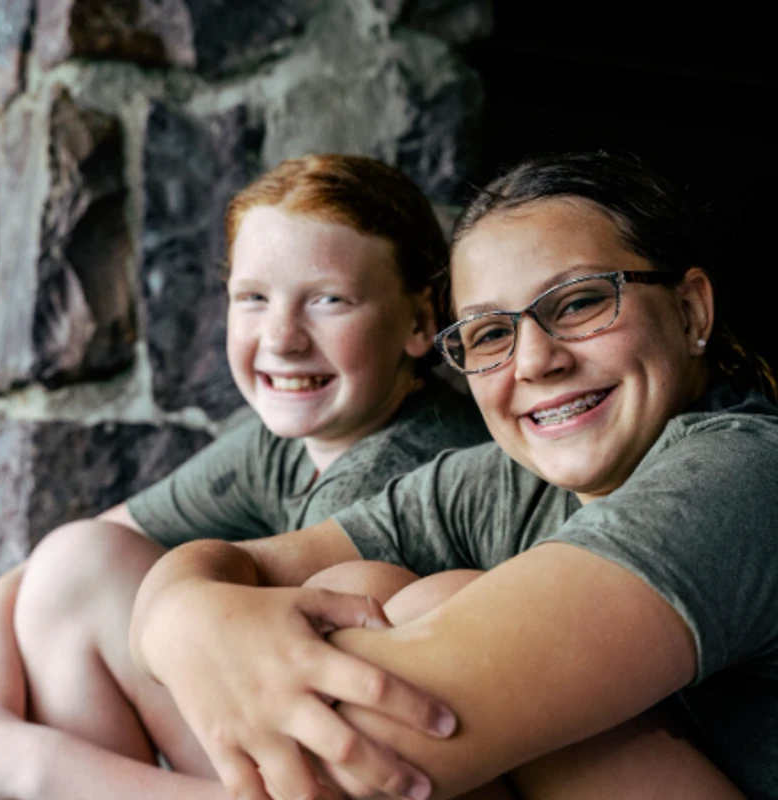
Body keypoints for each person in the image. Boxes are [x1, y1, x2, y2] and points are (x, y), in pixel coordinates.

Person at [128, 152, 778, 799]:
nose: (535, 360)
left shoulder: (743, 476)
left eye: (579, 303)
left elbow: (367, 754)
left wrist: (41, 764)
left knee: (425, 606)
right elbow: (226, 569)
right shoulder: (495, 483)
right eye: (491, 333)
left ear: (692, 312)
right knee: (360, 586)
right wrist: (185, 618)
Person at [0, 154, 490, 799]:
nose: (282, 338)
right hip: (286, 754)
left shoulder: (417, 470)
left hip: (358, 777)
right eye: (252, 298)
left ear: (419, 322)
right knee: (80, 562)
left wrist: (32, 763)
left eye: (328, 300)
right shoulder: (289, 441)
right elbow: (51, 567)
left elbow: (332, 775)